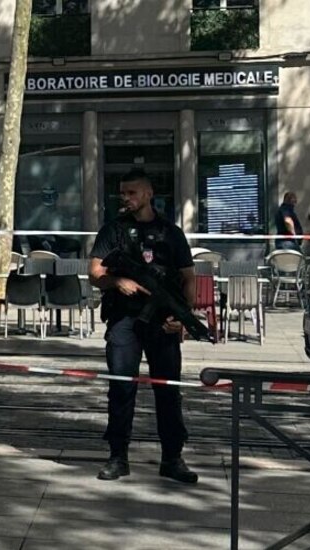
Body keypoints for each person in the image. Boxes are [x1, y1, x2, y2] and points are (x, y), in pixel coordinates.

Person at [87, 169, 198, 484]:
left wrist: (182, 316)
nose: (125, 198)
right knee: (121, 388)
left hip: (162, 322)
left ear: (149, 194)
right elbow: (94, 272)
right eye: (122, 193)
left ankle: (172, 457)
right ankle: (118, 456)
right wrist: (116, 282)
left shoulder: (171, 233)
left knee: (169, 390)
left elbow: (188, 277)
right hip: (124, 320)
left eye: (132, 192)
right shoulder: (113, 231)